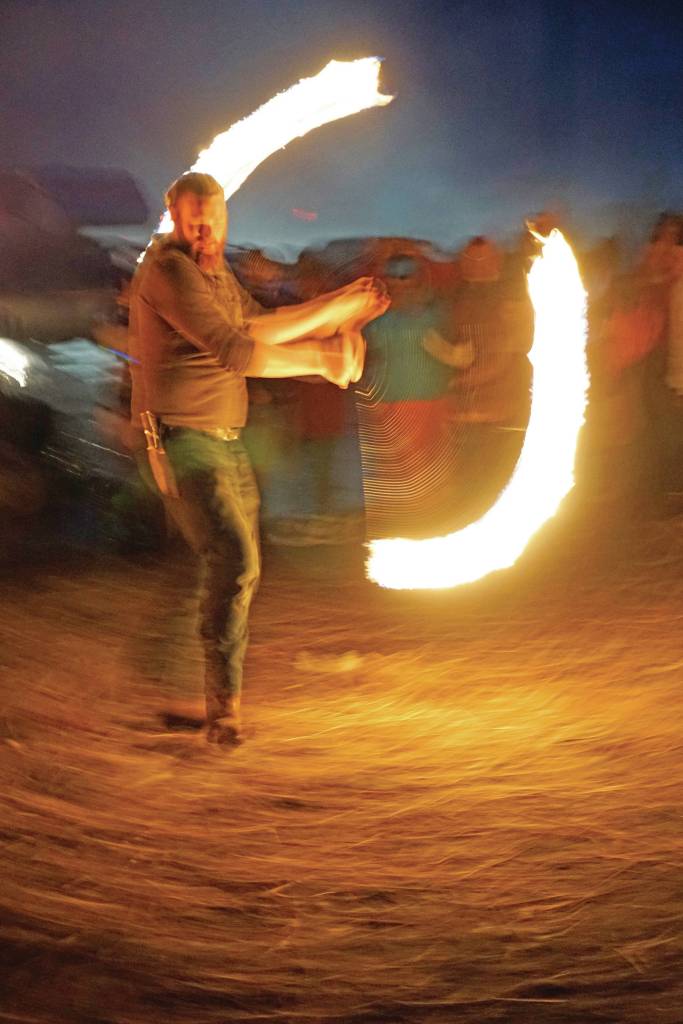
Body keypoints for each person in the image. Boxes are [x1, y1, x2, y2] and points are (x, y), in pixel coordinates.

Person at [128, 172, 388, 745]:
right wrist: (321, 359)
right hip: (184, 441)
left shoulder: (216, 272)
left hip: (226, 440)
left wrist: (335, 305)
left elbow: (257, 324)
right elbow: (236, 351)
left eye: (214, 220)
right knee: (234, 559)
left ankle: (179, 688)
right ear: (175, 218)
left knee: (224, 568)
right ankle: (222, 711)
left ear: (226, 218)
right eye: (194, 221)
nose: (206, 231)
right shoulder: (171, 270)